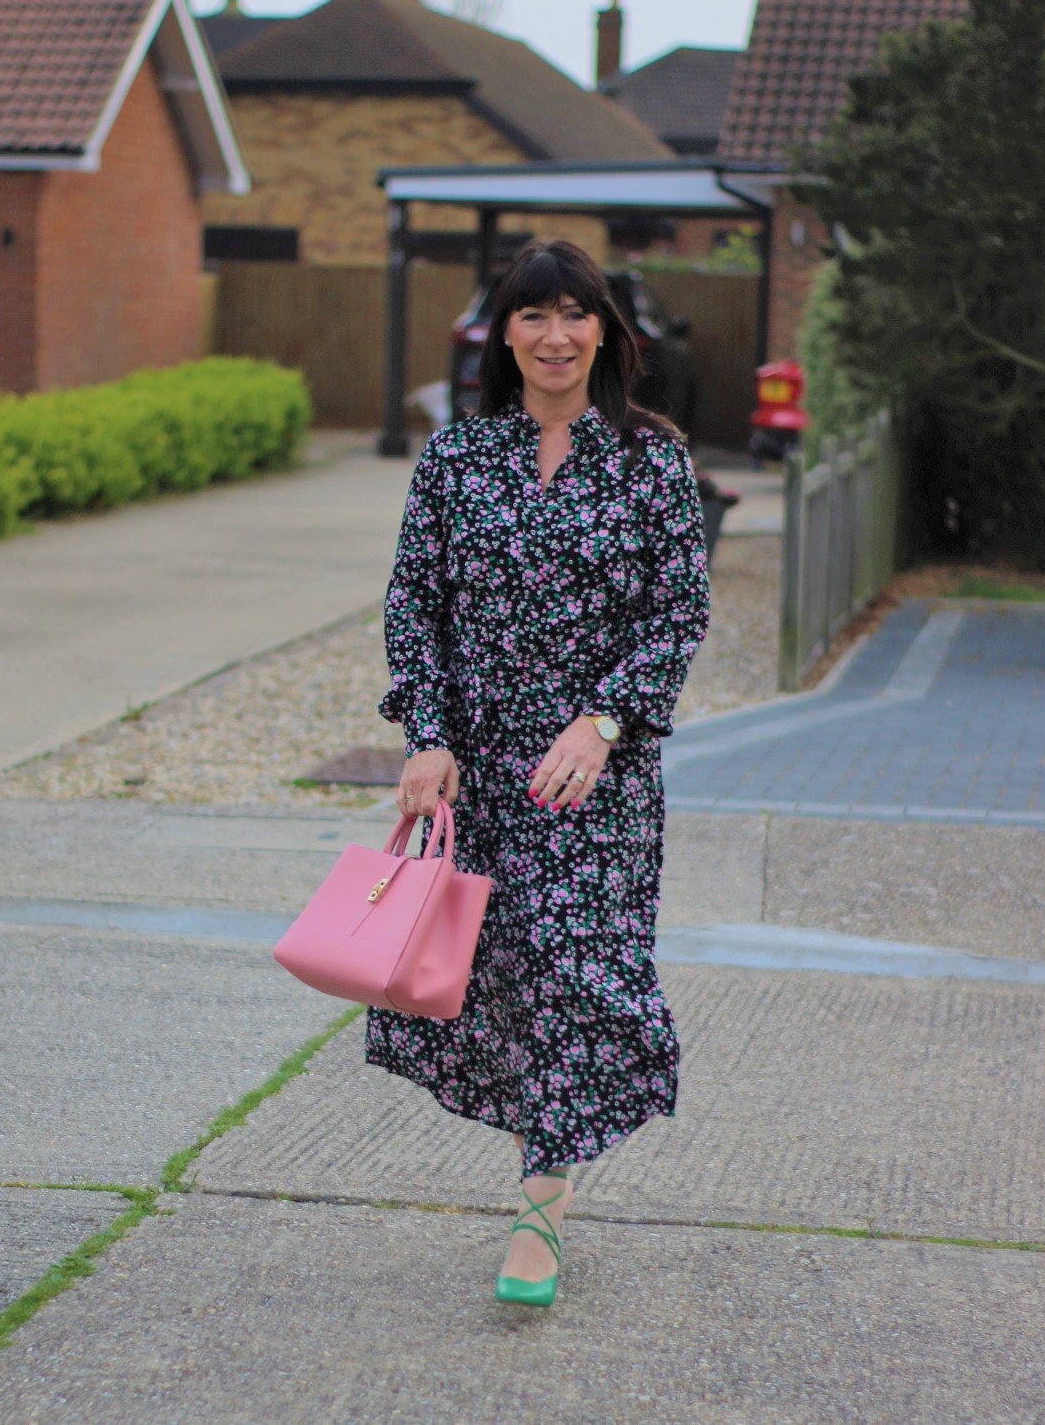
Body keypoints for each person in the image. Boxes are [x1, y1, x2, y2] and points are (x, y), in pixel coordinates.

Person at [368, 239, 710, 1308]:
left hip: (590, 777)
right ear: (501, 334)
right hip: (478, 769)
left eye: (574, 314)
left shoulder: (651, 460)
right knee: (506, 982)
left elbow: (678, 612)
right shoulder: (457, 460)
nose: (554, 335)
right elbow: (412, 606)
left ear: (605, 330)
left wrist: (605, 723)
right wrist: (427, 734)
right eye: (532, 316)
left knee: (573, 970)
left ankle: (539, 1209)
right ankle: (545, 1172)